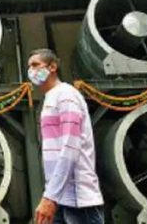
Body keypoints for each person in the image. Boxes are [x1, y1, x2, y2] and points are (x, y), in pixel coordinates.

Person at [28, 48, 104, 224]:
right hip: (60, 198)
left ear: (52, 66)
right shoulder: (51, 97)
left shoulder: (66, 95)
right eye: (29, 67)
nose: (31, 71)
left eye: (35, 65)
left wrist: (50, 197)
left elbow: (70, 147)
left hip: (78, 201)